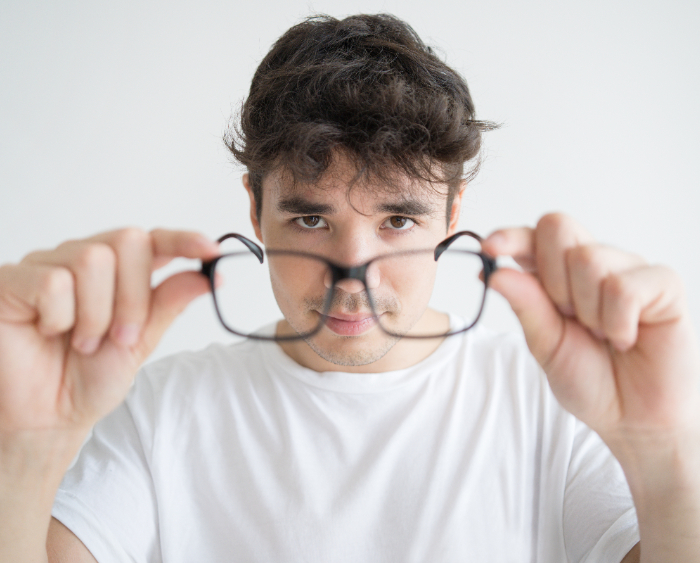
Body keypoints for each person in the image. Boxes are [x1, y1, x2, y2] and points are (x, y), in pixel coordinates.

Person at [0, 13, 698, 563]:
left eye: (398, 220)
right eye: (312, 219)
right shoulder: (157, 411)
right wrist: (20, 453)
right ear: (255, 211)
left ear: (452, 215)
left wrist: (664, 454)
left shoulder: (557, 404)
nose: (353, 274)